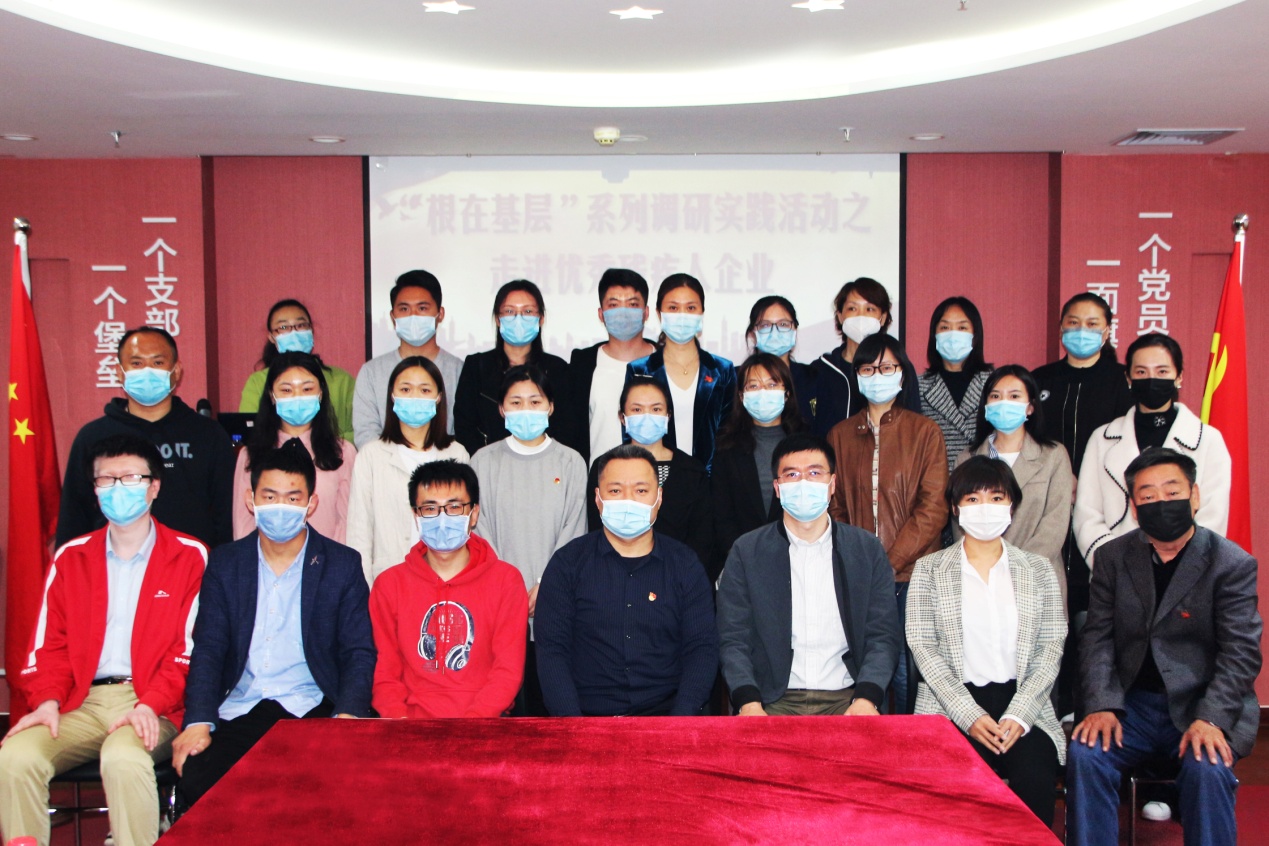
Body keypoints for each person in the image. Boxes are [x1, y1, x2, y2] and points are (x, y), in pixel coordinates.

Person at [0, 435, 206, 846]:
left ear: (154, 486)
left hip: (155, 703)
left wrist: (150, 704)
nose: (117, 489)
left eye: (130, 478)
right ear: (94, 489)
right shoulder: (71, 557)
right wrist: (47, 701)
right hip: (82, 701)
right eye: (106, 480)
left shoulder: (189, 555)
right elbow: (49, 645)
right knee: (15, 757)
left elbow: (188, 652)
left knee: (122, 757)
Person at [1067, 448, 1261, 846]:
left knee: (1208, 765)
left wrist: (1211, 718)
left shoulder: (1230, 563)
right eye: (1148, 496)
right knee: (1087, 753)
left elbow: (1240, 653)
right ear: (1134, 507)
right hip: (1131, 703)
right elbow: (1097, 638)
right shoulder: (1112, 558)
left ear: (1194, 496)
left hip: (1199, 703)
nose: (1161, 503)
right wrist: (1102, 704)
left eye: (1172, 492)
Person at [171, 441, 375, 812]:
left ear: (311, 504)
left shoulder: (341, 564)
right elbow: (209, 649)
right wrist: (198, 720)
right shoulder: (226, 563)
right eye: (270, 496)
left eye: (293, 498)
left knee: (329, 789)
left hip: (312, 706)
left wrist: (348, 714)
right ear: (251, 500)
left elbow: (358, 651)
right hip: (241, 707)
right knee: (200, 780)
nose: (280, 507)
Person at [907, 456, 1066, 826]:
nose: (985, 508)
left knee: (1034, 780)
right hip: (950, 706)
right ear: (955, 508)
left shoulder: (1038, 570)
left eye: (996, 498)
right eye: (972, 499)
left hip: (1023, 704)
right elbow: (922, 645)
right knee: (958, 800)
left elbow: (1051, 646)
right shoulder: (929, 570)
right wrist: (970, 715)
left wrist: (1019, 715)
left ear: (1011, 505)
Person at [716, 433, 900, 717]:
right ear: (777, 488)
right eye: (792, 475)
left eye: (815, 473)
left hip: (849, 698)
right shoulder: (747, 551)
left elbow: (883, 634)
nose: (803, 483)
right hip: (770, 701)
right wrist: (748, 701)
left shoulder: (866, 549)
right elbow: (733, 637)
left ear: (832, 484)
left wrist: (867, 697)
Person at [535, 445, 718, 716]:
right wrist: (574, 727)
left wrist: (679, 724)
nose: (628, 501)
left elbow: (701, 648)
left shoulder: (685, 565)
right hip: (587, 719)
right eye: (615, 491)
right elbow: (552, 650)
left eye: (641, 491)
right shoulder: (567, 564)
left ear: (659, 497)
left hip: (666, 718)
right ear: (598, 499)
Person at [826, 332, 947, 713]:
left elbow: (933, 508)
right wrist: (862, 560)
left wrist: (888, 563)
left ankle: (908, 739)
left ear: (903, 373)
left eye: (887, 368)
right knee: (866, 665)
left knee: (907, 671)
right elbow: (835, 506)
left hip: (913, 573)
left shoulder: (925, 432)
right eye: (867, 369)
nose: (877, 376)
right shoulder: (840, 435)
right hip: (858, 573)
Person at [470, 365, 588, 715]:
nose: (526, 410)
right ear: (501, 409)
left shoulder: (571, 462)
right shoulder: (483, 462)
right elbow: (479, 530)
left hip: (554, 605)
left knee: (548, 707)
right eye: (516, 402)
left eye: (535, 401)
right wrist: (510, 589)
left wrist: (546, 584)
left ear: (550, 406)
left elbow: (574, 530)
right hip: (498, 605)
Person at [369, 460, 529, 718]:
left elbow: (507, 672)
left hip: (483, 726)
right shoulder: (389, 585)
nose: (442, 518)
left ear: (473, 513)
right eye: (430, 508)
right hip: (409, 727)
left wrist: (468, 729)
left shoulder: (506, 581)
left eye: (454, 507)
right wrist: (402, 727)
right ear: (416, 516)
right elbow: (385, 674)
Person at [56, 327, 235, 549]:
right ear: (120, 372)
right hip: (110, 564)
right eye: (137, 363)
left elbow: (226, 516)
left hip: (193, 565)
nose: (147, 371)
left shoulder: (208, 434)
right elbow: (74, 516)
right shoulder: (93, 437)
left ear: (177, 371)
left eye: (158, 363)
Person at [1074, 333, 1230, 569]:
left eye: (1162, 371)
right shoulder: (1101, 439)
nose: (1151, 379)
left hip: (1187, 573)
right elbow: (1087, 516)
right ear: (1128, 378)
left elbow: (1213, 517)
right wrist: (1118, 566)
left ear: (1179, 376)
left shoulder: (1208, 439)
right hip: (1117, 572)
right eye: (1141, 372)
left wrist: (1175, 566)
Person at [954, 365, 1073, 600]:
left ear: (1030, 407)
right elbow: (959, 524)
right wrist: (986, 567)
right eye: (995, 396)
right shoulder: (967, 458)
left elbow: (1055, 524)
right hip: (981, 580)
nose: (1004, 402)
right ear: (986, 405)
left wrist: (1015, 568)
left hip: (1038, 578)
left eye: (1014, 396)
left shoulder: (1053, 455)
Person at [348, 356, 468, 585]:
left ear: (438, 397)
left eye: (425, 390)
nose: (415, 397)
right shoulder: (371, 455)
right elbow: (359, 533)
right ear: (392, 396)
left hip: (445, 580)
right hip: (388, 581)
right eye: (405, 389)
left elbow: (465, 527)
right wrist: (364, 591)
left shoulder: (457, 453)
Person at [586, 378, 714, 577]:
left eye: (656, 409)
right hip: (612, 578)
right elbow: (596, 533)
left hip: (678, 580)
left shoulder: (692, 471)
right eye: (637, 409)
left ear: (668, 415)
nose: (647, 416)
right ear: (622, 417)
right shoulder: (604, 467)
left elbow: (703, 541)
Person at [231, 352, 357, 543]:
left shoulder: (343, 452)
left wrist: (331, 559)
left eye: (307, 389)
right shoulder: (250, 454)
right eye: (286, 390)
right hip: (266, 559)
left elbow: (348, 522)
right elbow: (243, 525)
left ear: (321, 393)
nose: (297, 397)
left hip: (327, 558)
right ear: (272, 396)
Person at [625, 274, 735, 474]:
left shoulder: (722, 370)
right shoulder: (640, 370)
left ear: (702, 313)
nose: (682, 315)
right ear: (659, 314)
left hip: (712, 479)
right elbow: (630, 434)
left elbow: (730, 433)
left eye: (691, 308)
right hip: (654, 477)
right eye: (673, 308)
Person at [711, 353, 806, 578]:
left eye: (772, 385)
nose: (763, 392)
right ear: (741, 396)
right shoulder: (726, 447)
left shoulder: (806, 444)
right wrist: (743, 557)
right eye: (753, 386)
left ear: (787, 393)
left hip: (798, 561)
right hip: (742, 562)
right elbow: (721, 515)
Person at [453, 279, 570, 456]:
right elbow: (464, 426)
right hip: (489, 465)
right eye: (509, 311)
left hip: (547, 464)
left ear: (541, 319)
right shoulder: (477, 367)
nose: (518, 319)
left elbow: (567, 428)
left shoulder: (557, 369)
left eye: (528, 311)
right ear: (498, 319)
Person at [352, 270, 464, 448]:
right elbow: (366, 434)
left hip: (446, 463)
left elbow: (465, 432)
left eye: (422, 308)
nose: (413, 316)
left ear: (440, 314)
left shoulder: (460, 371)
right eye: (404, 309)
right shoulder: (371, 372)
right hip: (386, 463)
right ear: (393, 317)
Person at [1031, 291, 1134, 481]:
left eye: (1092, 324)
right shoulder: (1040, 378)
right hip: (1047, 482)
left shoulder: (1123, 379)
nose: (1082, 330)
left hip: (1106, 483)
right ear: (1061, 328)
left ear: (1107, 331)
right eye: (1073, 322)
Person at [562, 268, 657, 465]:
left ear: (646, 313)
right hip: (599, 479)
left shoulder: (664, 361)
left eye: (632, 304)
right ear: (601, 314)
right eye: (613, 305)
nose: (623, 312)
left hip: (658, 478)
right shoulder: (582, 365)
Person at [812, 277, 918, 437]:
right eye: (852, 309)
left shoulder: (898, 369)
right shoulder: (821, 369)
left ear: (883, 318)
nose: (861, 316)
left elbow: (913, 423)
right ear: (840, 316)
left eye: (870, 309)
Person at [238, 299, 356, 442]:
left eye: (300, 325)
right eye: (283, 327)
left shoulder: (341, 379)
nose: (293, 332)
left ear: (311, 330)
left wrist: (325, 445)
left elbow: (358, 431)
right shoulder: (258, 382)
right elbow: (251, 432)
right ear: (271, 337)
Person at [918, 296, 994, 469]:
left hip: (983, 479)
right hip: (936, 480)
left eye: (962, 327)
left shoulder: (994, 384)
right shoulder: (918, 385)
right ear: (934, 335)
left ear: (975, 335)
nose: (953, 335)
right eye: (945, 327)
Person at [744, 295, 817, 426]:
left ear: (795, 329)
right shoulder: (735, 378)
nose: (774, 332)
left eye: (783, 324)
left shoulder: (813, 378)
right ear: (753, 332)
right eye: (765, 325)